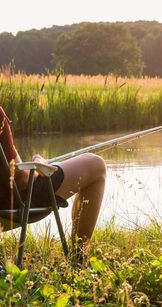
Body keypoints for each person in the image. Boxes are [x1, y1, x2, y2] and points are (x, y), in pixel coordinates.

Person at [0, 107, 107, 250]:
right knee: (95, 165)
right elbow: (21, 179)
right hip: (13, 205)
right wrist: (40, 167)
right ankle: (78, 257)